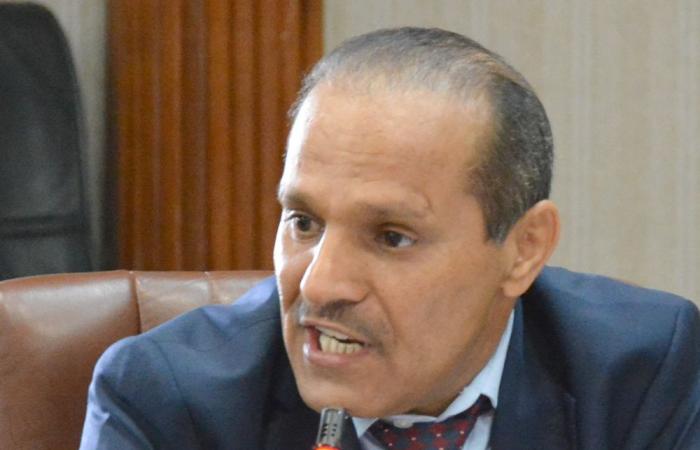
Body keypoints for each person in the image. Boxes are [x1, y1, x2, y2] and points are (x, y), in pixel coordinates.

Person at [80, 27, 700, 450]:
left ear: (523, 249)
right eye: (304, 222)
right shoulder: (166, 401)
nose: (321, 283)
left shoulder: (642, 372)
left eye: (392, 237)